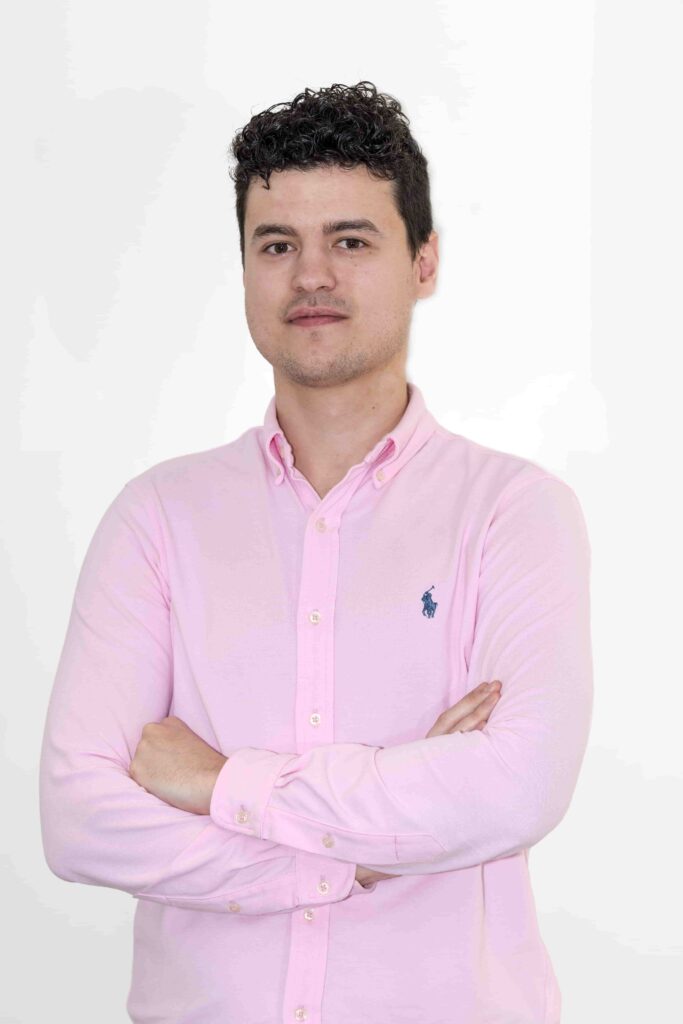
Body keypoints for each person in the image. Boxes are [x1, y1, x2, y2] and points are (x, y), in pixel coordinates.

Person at [39, 81, 593, 1023]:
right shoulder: (156, 520)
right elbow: (80, 820)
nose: (311, 277)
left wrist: (223, 784)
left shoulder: (513, 513)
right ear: (246, 267)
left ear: (423, 262)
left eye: (350, 240)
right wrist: (351, 854)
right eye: (276, 245)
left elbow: (515, 784)